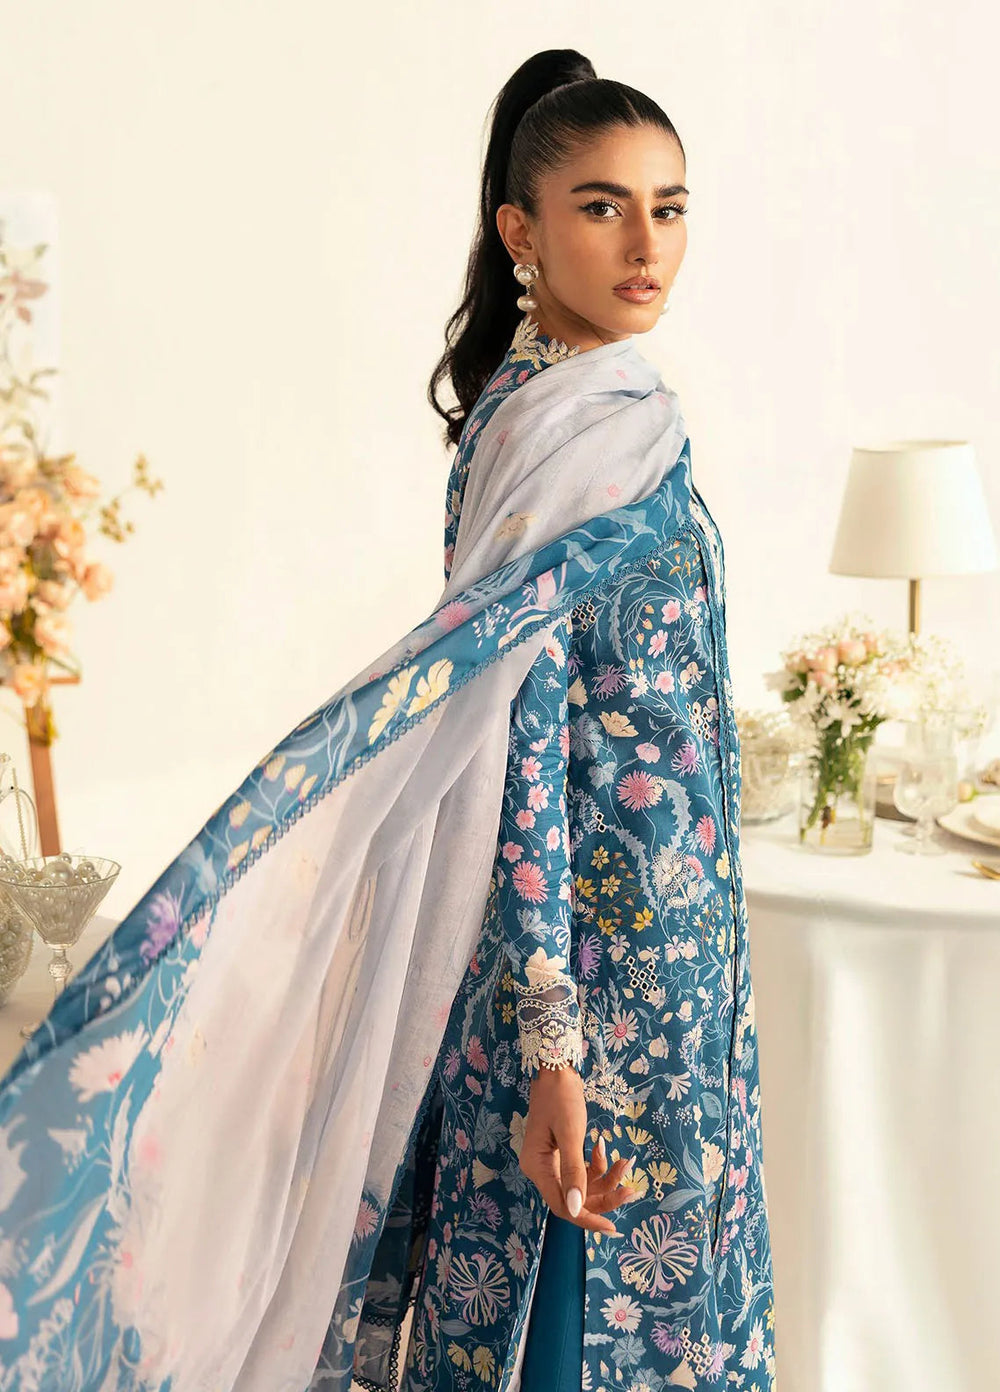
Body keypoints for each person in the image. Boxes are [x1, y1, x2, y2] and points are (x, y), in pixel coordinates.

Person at [0, 49, 775, 1392]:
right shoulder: (554, 442)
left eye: (670, 206)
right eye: (602, 207)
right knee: (571, 1320)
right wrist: (551, 1049)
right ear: (521, 232)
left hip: (679, 948)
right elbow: (515, 756)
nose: (647, 245)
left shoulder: (608, 412)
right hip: (586, 975)